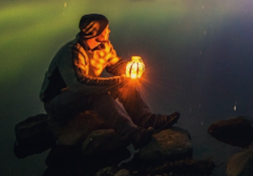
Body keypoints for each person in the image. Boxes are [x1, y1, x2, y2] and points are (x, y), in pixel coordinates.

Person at [40, 14, 180, 144]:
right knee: (99, 95)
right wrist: (118, 80)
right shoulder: (71, 52)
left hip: (81, 92)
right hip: (57, 100)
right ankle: (133, 134)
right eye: (106, 29)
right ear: (96, 34)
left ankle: (148, 120)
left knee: (126, 85)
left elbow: (115, 65)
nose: (109, 31)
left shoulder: (103, 46)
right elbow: (79, 85)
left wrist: (130, 69)